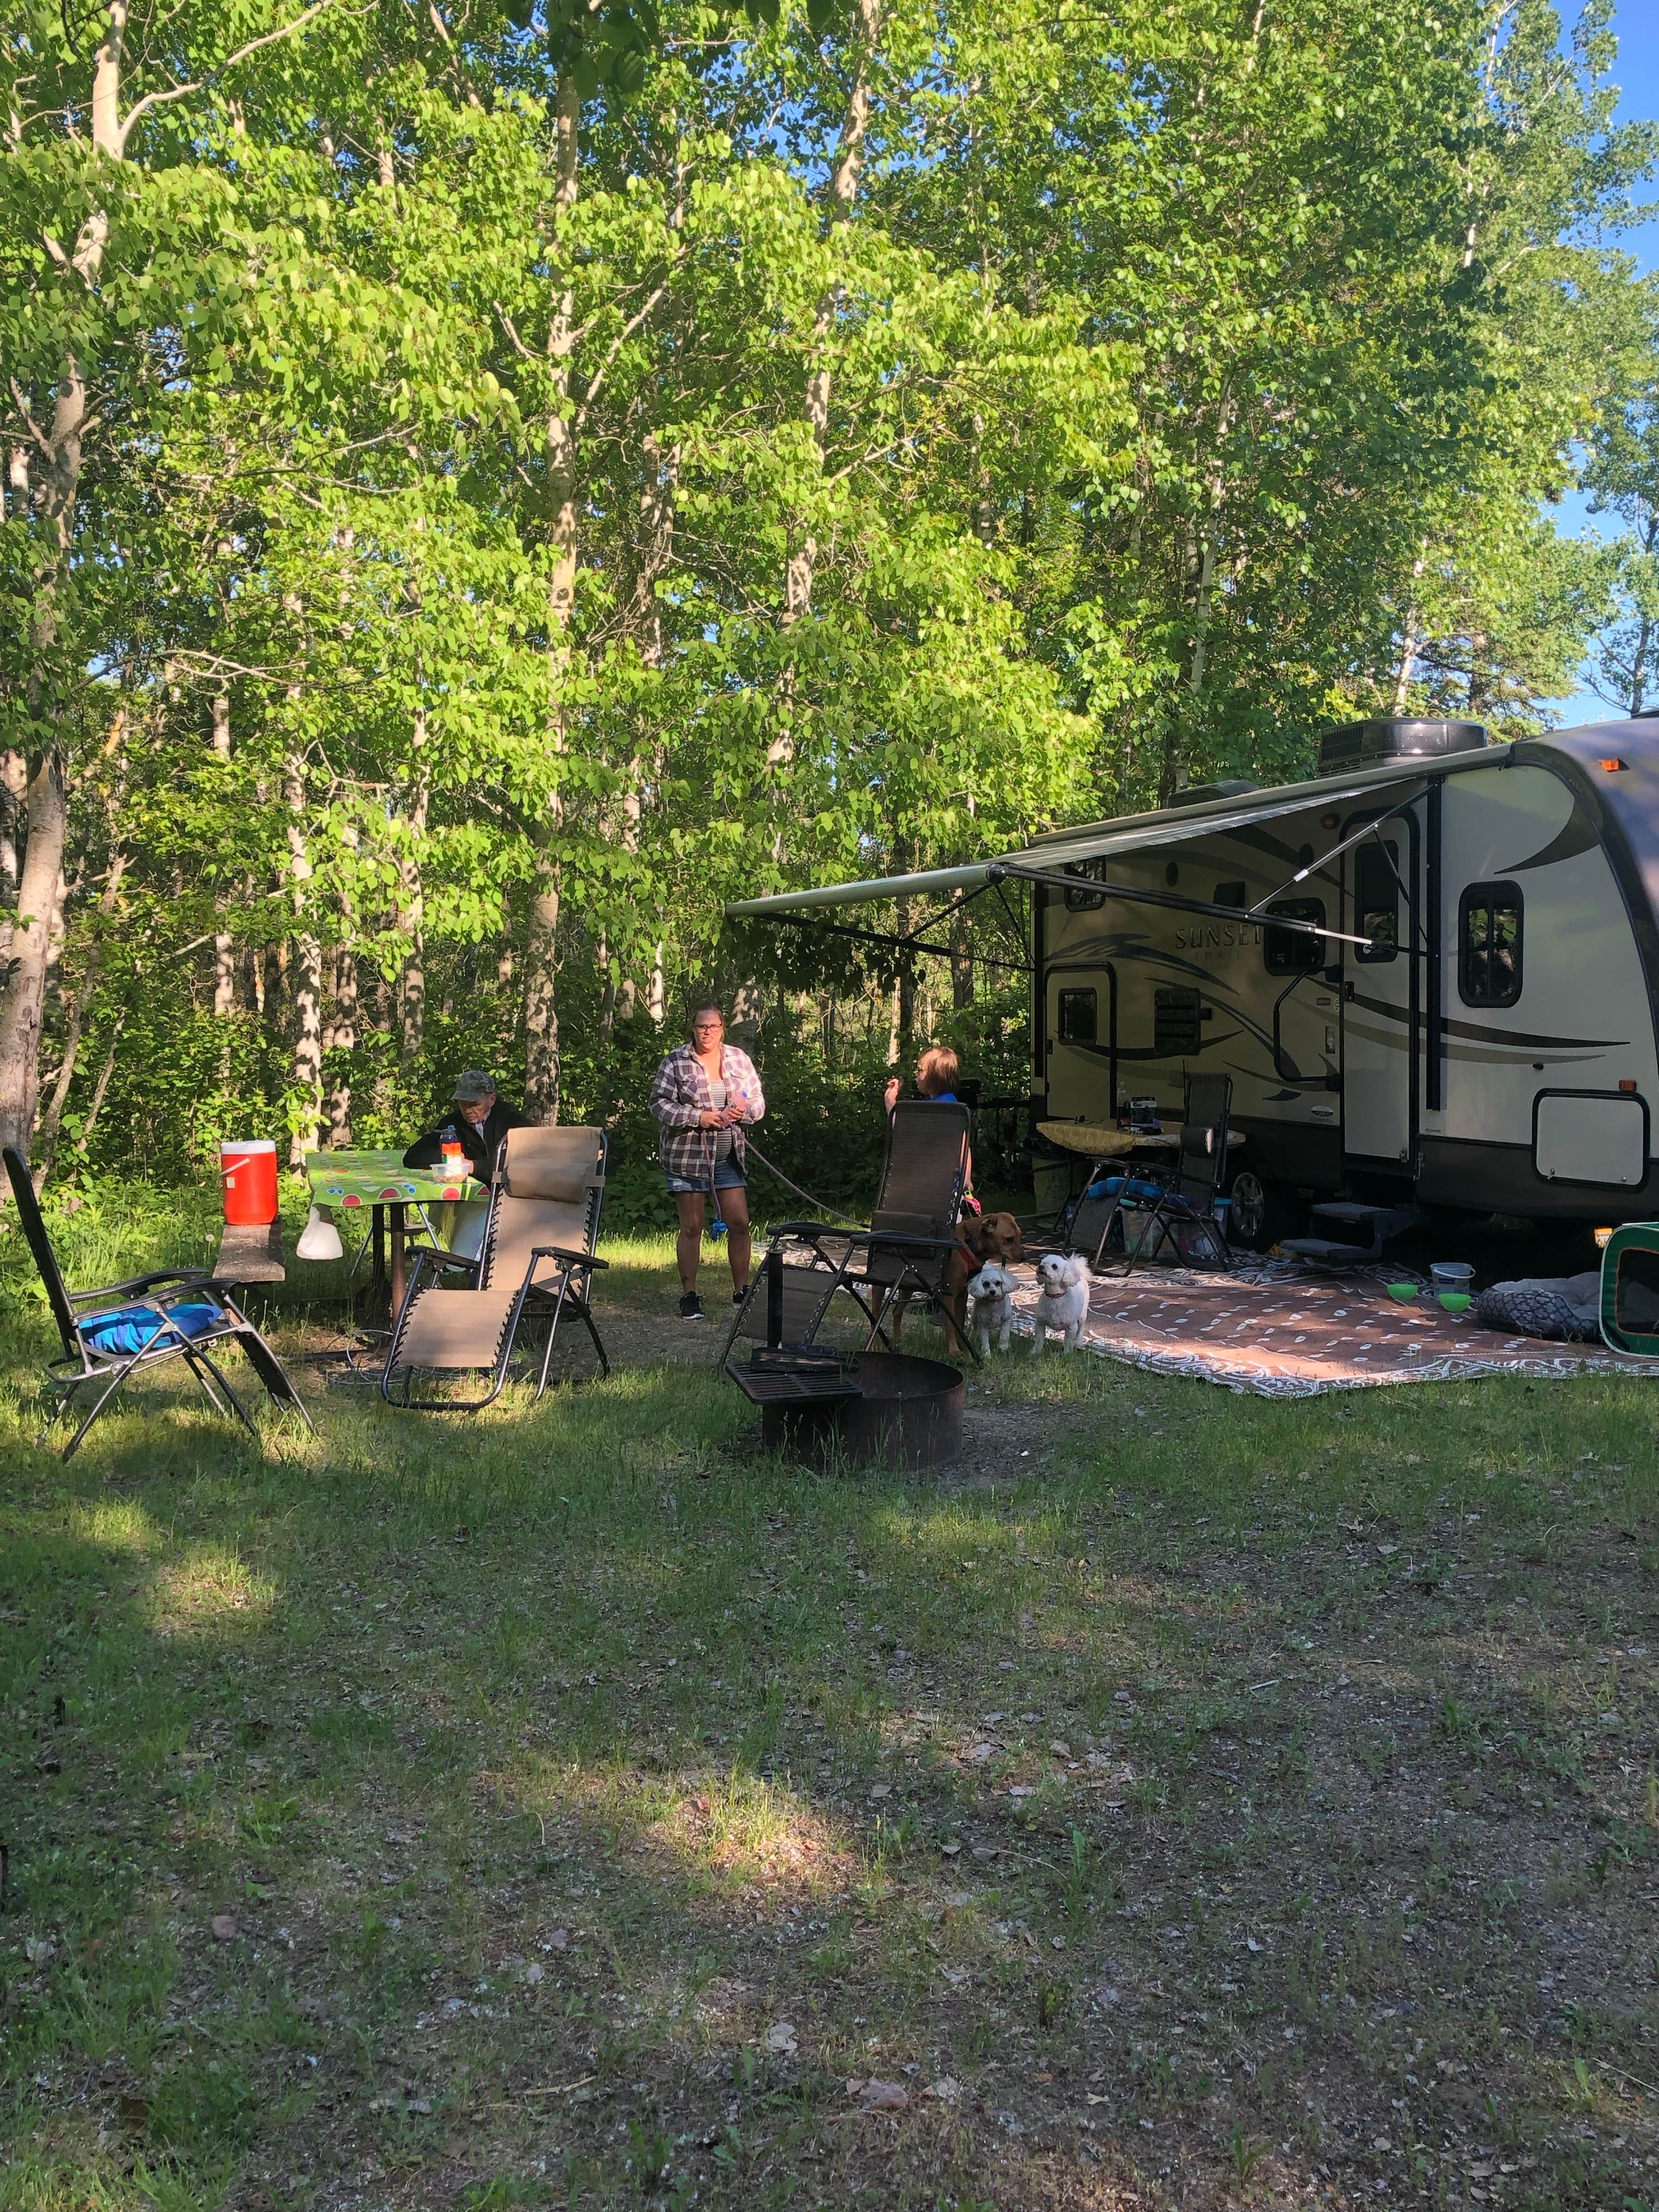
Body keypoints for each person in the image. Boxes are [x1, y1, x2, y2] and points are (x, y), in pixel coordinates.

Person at [649, 1005, 765, 1321]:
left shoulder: (738, 1059)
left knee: (740, 1222)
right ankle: (689, 1295)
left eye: (713, 1026)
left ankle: (742, 1291)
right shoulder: (676, 1061)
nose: (708, 1032)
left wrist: (744, 1112)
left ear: (723, 1028)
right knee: (692, 1226)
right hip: (687, 1158)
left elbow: (757, 1101)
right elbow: (658, 1104)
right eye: (702, 1026)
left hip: (729, 1157)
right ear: (693, 1029)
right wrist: (697, 1117)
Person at [884, 1042, 978, 1212]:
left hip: (941, 1192)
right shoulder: (934, 1102)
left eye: (920, 1071)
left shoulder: (943, 1107)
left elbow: (962, 1143)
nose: (916, 1074)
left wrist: (891, 1103)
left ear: (935, 1076)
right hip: (933, 1186)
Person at [403, 1070, 527, 1179]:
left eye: (475, 1104)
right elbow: (412, 1156)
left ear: (492, 1099)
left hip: (509, 1192)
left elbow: (524, 1159)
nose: (468, 1110)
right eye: (463, 1104)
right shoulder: (452, 1123)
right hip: (467, 1193)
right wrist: (448, 1158)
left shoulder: (512, 1121)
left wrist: (473, 1166)